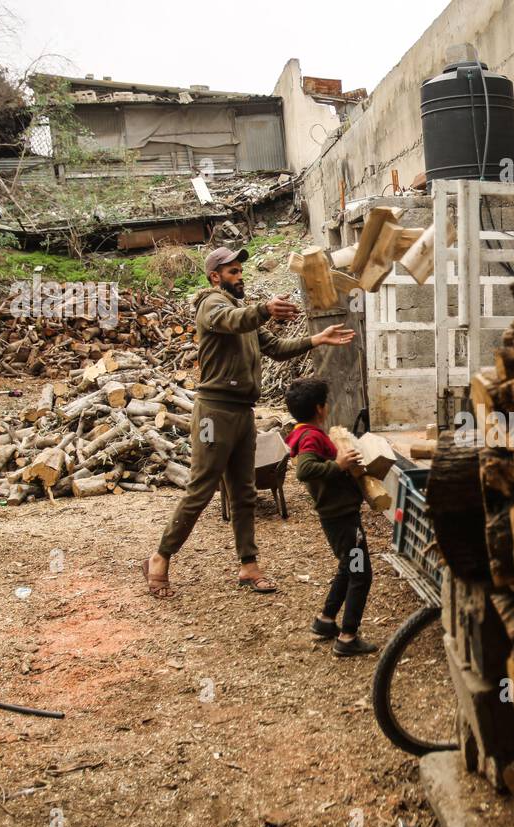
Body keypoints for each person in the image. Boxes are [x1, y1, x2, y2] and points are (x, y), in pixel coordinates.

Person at [143, 246, 355, 598]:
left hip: (242, 412)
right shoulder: (211, 304)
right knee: (202, 488)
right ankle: (160, 556)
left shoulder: (243, 314)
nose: (240, 277)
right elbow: (231, 320)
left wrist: (317, 338)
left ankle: (248, 565)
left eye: (241, 271)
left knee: (243, 493)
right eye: (233, 272)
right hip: (214, 412)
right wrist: (264, 309)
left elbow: (274, 346)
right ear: (215, 277)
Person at [284, 378, 377, 658]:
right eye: (327, 402)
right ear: (320, 408)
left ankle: (325, 621)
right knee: (361, 573)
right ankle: (348, 637)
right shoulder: (311, 437)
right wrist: (338, 464)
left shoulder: (304, 431)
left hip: (337, 516)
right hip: (342, 518)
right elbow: (305, 469)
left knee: (348, 566)